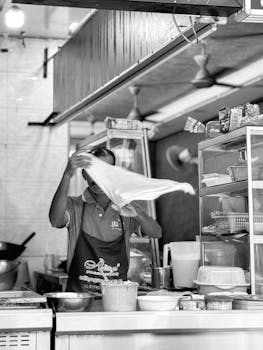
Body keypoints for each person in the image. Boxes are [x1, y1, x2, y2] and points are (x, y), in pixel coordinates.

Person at [49, 147, 162, 293]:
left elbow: (156, 233)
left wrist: (136, 212)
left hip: (117, 298)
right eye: (94, 171)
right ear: (84, 174)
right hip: (80, 300)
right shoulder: (74, 206)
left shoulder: (125, 209)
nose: (99, 178)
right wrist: (67, 176)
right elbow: (55, 221)